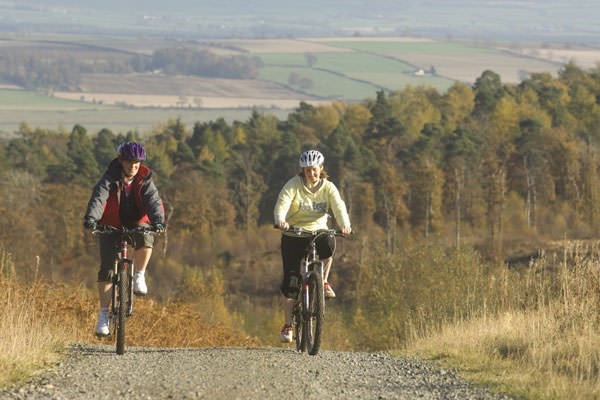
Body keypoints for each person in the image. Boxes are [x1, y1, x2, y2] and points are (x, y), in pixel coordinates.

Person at [83, 141, 166, 337]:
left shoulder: (145, 179)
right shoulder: (110, 178)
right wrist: (91, 219)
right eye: (129, 162)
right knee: (107, 270)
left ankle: (139, 275)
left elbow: (154, 201)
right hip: (110, 223)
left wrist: (158, 221)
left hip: (137, 222)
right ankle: (103, 316)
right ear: (121, 161)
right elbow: (99, 197)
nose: (133, 167)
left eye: (137, 163)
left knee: (147, 236)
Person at [274, 149, 352, 343]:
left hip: (318, 231)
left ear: (321, 168)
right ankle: (288, 325)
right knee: (291, 281)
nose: (312, 173)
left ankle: (323, 282)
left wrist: (345, 224)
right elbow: (282, 204)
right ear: (303, 170)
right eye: (308, 170)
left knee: (329, 243)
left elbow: (339, 206)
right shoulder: (293, 185)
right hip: (294, 233)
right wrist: (280, 220)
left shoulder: (328, 188)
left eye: (314, 169)